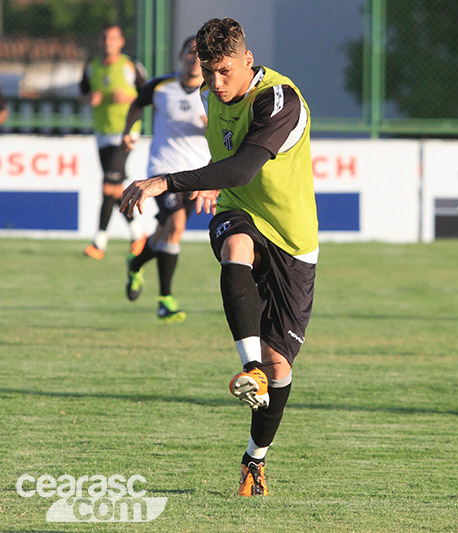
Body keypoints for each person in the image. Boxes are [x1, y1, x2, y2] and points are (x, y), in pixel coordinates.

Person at [119, 18, 317, 496]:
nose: (214, 82)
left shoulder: (280, 100)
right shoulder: (213, 95)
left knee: (281, 365)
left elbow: (246, 164)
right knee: (235, 247)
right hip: (239, 212)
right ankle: (247, 366)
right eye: (209, 72)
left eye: (224, 70)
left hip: (293, 238)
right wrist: (211, 179)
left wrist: (167, 179)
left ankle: (255, 457)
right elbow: (226, 160)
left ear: (248, 60)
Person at [121, 36, 211, 323]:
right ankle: (165, 300)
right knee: (176, 225)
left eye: (201, 54)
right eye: (191, 52)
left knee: (164, 235)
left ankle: (135, 264)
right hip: (163, 172)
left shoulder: (213, 90)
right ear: (181, 55)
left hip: (197, 175)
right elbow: (136, 105)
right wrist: (128, 130)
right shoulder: (161, 87)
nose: (195, 59)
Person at [81, 24, 148, 260]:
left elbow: (147, 95)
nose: (108, 41)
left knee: (108, 186)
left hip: (126, 132)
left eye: (113, 38)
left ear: (121, 42)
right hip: (102, 132)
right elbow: (83, 93)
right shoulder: (92, 66)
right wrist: (90, 98)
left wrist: (131, 97)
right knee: (115, 189)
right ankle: (138, 234)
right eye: (104, 37)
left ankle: (99, 242)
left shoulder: (130, 66)